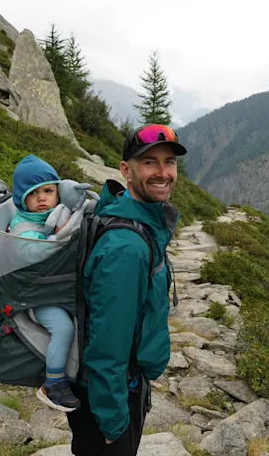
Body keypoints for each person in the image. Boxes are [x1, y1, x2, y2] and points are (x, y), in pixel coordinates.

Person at [67, 124, 187, 456]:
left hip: (113, 388)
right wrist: (113, 422)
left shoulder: (130, 217)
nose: (163, 172)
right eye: (149, 162)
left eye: (169, 162)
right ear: (126, 170)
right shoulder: (127, 248)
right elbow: (108, 344)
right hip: (110, 397)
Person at [9, 154, 83, 412]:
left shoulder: (52, 215)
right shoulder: (24, 226)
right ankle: (53, 384)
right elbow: (33, 253)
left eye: (48, 191)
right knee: (63, 329)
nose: (42, 198)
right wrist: (60, 237)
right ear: (22, 199)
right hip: (36, 296)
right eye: (34, 193)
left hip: (53, 288)